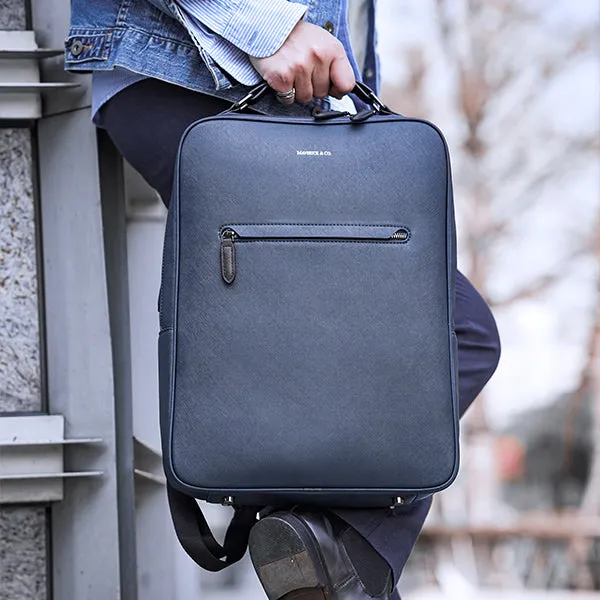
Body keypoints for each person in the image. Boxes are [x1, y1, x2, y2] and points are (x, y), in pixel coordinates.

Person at [66, 1, 501, 598]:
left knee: (440, 337)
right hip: (192, 72)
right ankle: (329, 548)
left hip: (269, 91)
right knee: (463, 333)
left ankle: (320, 546)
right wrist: (267, 27)